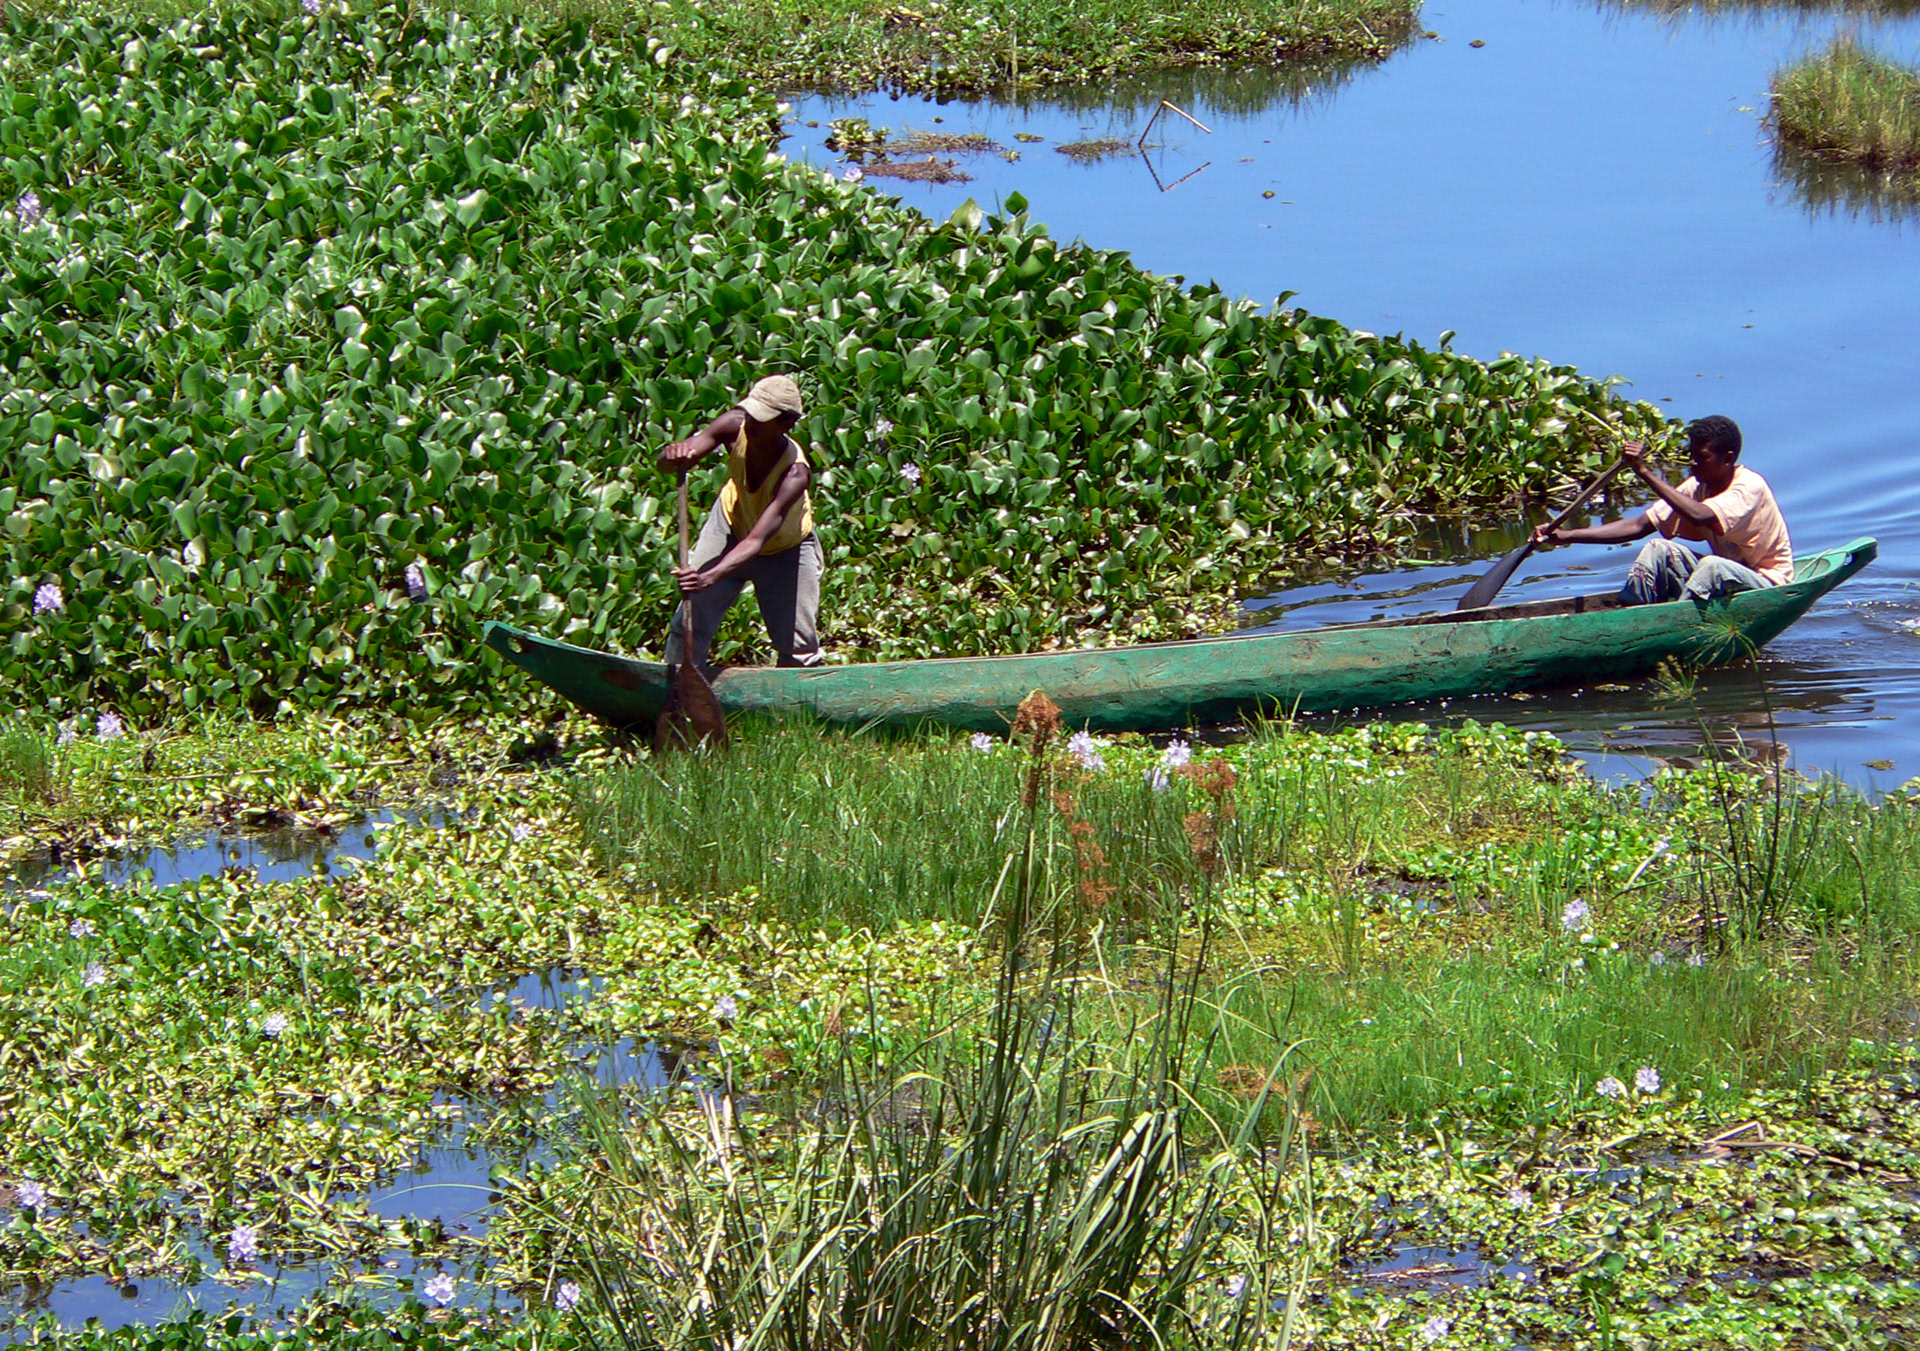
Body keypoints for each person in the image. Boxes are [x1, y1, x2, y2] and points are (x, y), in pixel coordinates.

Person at [656, 375, 823, 675]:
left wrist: (709, 577)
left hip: (783, 547)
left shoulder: (795, 474)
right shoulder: (734, 425)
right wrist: (672, 456)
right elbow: (673, 461)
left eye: (762, 418)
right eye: (750, 412)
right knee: (691, 616)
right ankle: (678, 692)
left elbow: (756, 542)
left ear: (786, 424)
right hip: (730, 524)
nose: (751, 423)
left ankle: (796, 709)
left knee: (798, 648)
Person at [1532, 415, 1792, 605]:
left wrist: (1644, 472)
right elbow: (1638, 526)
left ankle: (1674, 620)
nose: (1692, 463)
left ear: (1728, 458)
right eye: (1691, 455)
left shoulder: (1749, 487)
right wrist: (1564, 536)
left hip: (1766, 582)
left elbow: (1701, 515)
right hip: (1727, 576)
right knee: (1657, 548)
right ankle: (1633, 612)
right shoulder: (1697, 487)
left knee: (1713, 565)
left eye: (1701, 458)